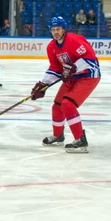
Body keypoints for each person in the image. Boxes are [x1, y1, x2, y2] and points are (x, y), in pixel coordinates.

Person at [30, 16, 101, 153]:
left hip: (88, 76)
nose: (56, 32)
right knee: (57, 106)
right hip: (72, 77)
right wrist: (43, 84)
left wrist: (73, 67)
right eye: (53, 30)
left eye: (58, 29)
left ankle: (80, 139)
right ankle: (58, 136)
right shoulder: (51, 47)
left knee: (68, 104)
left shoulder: (74, 40)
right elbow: (56, 68)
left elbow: (90, 59)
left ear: (64, 29)